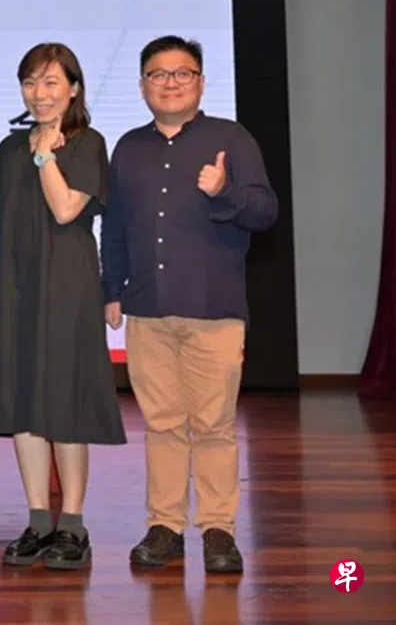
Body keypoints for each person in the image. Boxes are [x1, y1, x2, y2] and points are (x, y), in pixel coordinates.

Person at [100, 35, 278, 573]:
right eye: (159, 74)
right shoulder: (128, 148)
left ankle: (219, 530)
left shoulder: (232, 139)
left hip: (213, 309)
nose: (170, 83)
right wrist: (111, 289)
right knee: (162, 424)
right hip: (147, 309)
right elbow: (115, 227)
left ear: (201, 82)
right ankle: (166, 526)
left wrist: (224, 192)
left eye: (182, 73)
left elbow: (265, 211)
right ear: (142, 86)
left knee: (215, 425)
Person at [0, 43, 127, 570]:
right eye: (31, 82)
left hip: (66, 286)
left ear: (73, 88)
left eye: (52, 82)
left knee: (63, 402)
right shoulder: (11, 147)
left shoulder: (87, 143)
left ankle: (72, 525)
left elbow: (64, 208)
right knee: (22, 402)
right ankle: (38, 520)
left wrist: (44, 154)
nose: (40, 93)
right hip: (11, 282)